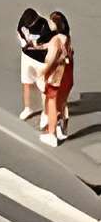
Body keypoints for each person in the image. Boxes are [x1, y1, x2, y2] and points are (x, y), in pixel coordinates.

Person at [40, 11, 74, 146]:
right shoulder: (67, 38)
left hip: (56, 77)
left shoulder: (56, 40)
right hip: (67, 75)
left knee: (52, 104)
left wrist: (43, 73)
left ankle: (51, 134)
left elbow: (52, 60)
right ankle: (62, 128)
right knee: (63, 102)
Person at [17, 8, 52, 122]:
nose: (29, 26)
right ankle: (28, 108)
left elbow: (48, 43)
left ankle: (46, 113)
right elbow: (20, 32)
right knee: (26, 82)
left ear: (36, 19)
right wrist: (25, 44)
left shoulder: (43, 25)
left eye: (31, 24)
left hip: (40, 60)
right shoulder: (23, 22)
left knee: (43, 87)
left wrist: (37, 45)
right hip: (26, 57)